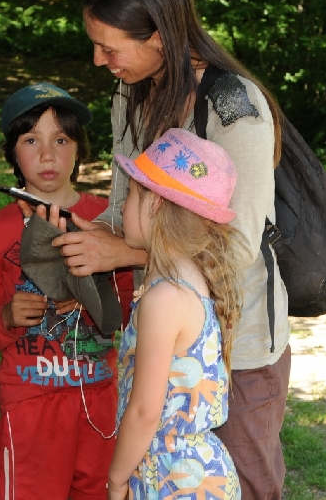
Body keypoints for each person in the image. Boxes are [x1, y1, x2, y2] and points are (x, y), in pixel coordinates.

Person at [51, 0, 292, 499]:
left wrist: (124, 254)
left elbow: (241, 245)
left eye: (110, 48)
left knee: (248, 483)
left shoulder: (235, 106)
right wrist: (84, 237)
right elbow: (123, 205)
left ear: (159, 36)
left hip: (239, 343)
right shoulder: (132, 91)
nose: (99, 60)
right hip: (169, 336)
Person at [0, 82, 133, 500]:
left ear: (79, 149)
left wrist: (90, 293)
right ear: (12, 152)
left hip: (98, 400)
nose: (47, 155)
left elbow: (133, 311)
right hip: (30, 405)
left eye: (61, 139)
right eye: (31, 140)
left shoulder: (109, 221)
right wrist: (7, 316)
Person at [108, 128, 246, 499]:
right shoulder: (190, 282)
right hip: (195, 473)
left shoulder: (164, 298)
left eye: (131, 195)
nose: (122, 206)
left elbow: (144, 411)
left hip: (169, 478)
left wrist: (117, 478)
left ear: (154, 204)